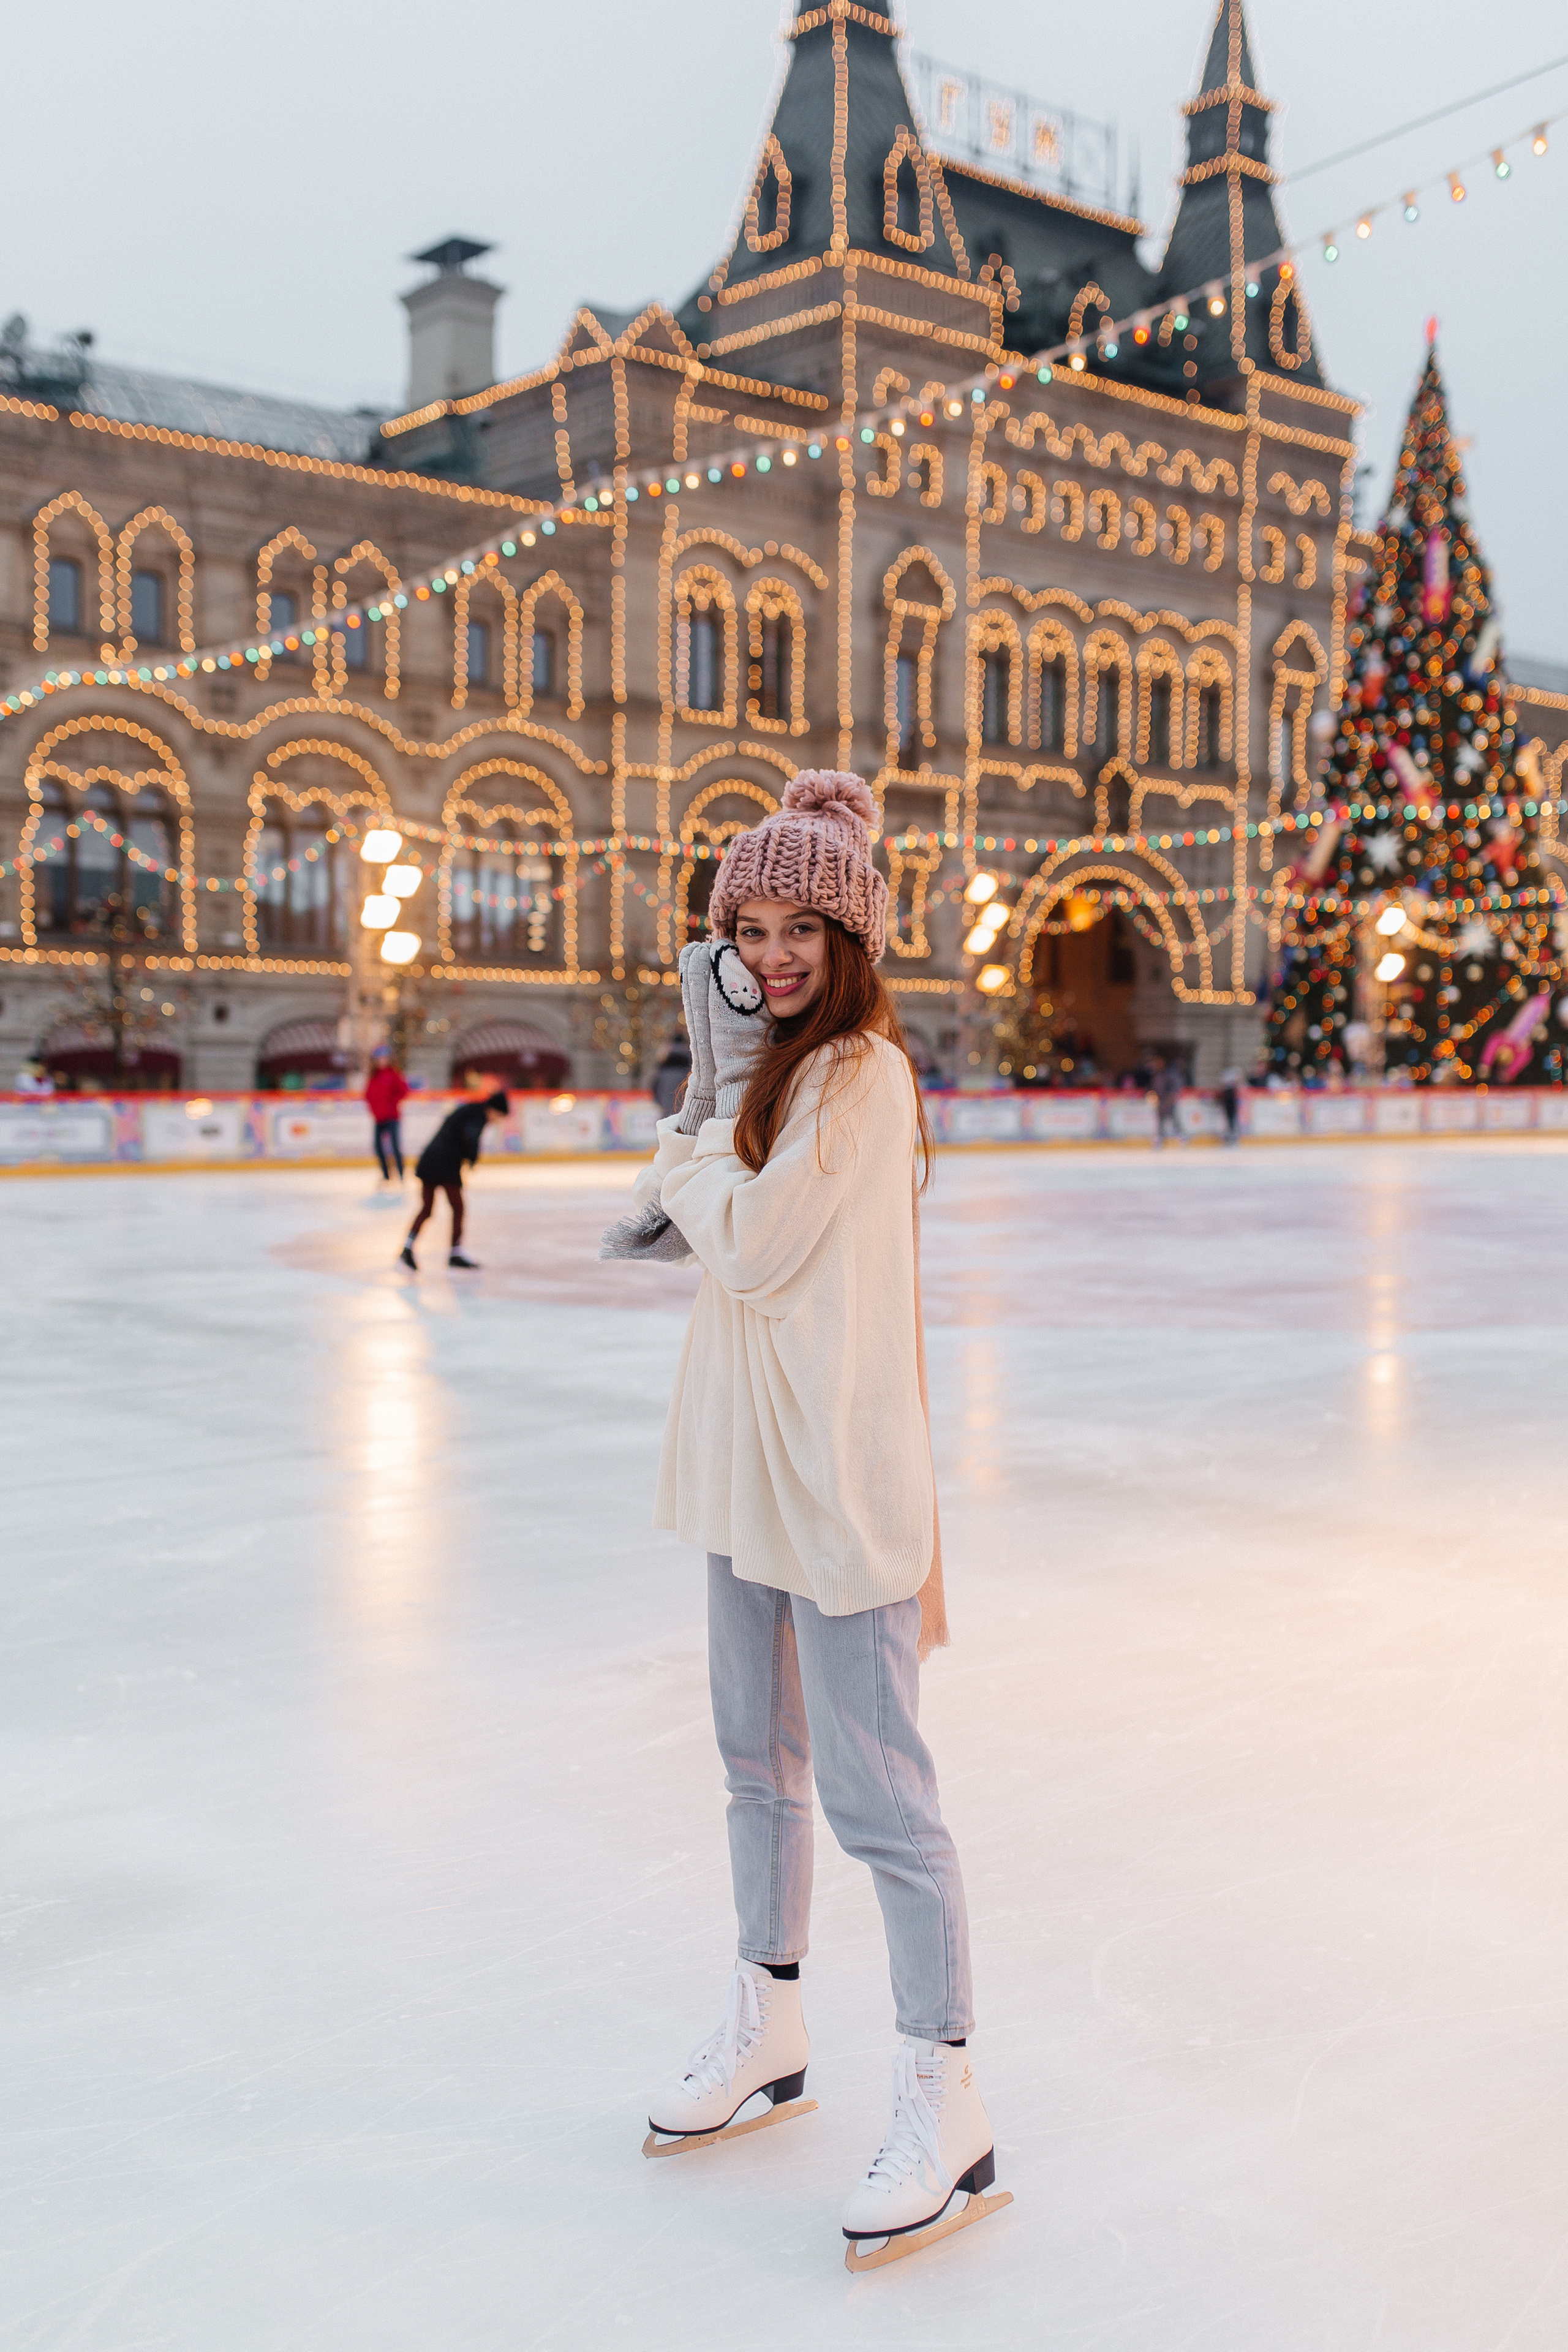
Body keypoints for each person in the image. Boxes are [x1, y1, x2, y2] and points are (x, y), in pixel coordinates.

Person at [606, 772, 1001, 2271]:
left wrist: (689, 1135)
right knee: (748, 1760)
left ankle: (942, 2091)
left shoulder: (859, 1075)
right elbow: (687, 1233)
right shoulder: (769, 1072)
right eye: (745, 927)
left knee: (880, 1798)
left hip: (833, 1478)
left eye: (798, 926)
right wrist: (710, 1117)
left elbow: (750, 1243)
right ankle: (765, 2019)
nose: (770, 954)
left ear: (852, 936)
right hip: (736, 1471)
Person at [399, 1089, 508, 1270]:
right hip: (445, 1166)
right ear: (494, 1110)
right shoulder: (477, 1116)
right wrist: (472, 1157)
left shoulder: (470, 1111)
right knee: (458, 1208)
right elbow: (470, 1136)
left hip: (429, 1162)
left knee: (427, 1209)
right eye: (499, 1116)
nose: (496, 1121)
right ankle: (455, 1253)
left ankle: (408, 1247)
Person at [364, 1053, 410, 1182]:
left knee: (395, 1145)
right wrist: (374, 1110)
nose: (382, 1061)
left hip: (392, 1117)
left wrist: (392, 1103)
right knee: (378, 1146)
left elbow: (404, 1090)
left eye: (384, 1058)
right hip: (379, 1118)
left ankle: (401, 1173)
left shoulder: (393, 1074)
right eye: (379, 1059)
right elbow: (368, 1095)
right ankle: (386, 1174)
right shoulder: (374, 1076)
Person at [649, 1038, 691, 1117]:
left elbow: (655, 1090)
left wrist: (660, 1102)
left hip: (666, 1109)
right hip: (684, 1110)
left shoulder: (661, 1073)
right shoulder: (687, 1073)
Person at [1152, 1054, 1185, 1147]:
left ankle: (1181, 1138)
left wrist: (1172, 1096)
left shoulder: (1168, 1075)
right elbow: (1152, 1088)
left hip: (1168, 1102)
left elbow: (1173, 1088)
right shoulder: (1155, 1076)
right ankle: (1159, 1140)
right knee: (1160, 1123)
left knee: (1174, 1120)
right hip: (1160, 1103)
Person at [1218, 1063, 1244, 1145]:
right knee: (1229, 1119)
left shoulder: (1233, 1091)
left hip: (1231, 1100)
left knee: (1232, 1119)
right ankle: (1231, 1135)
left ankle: (1233, 1135)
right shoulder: (1229, 1091)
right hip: (1229, 1100)